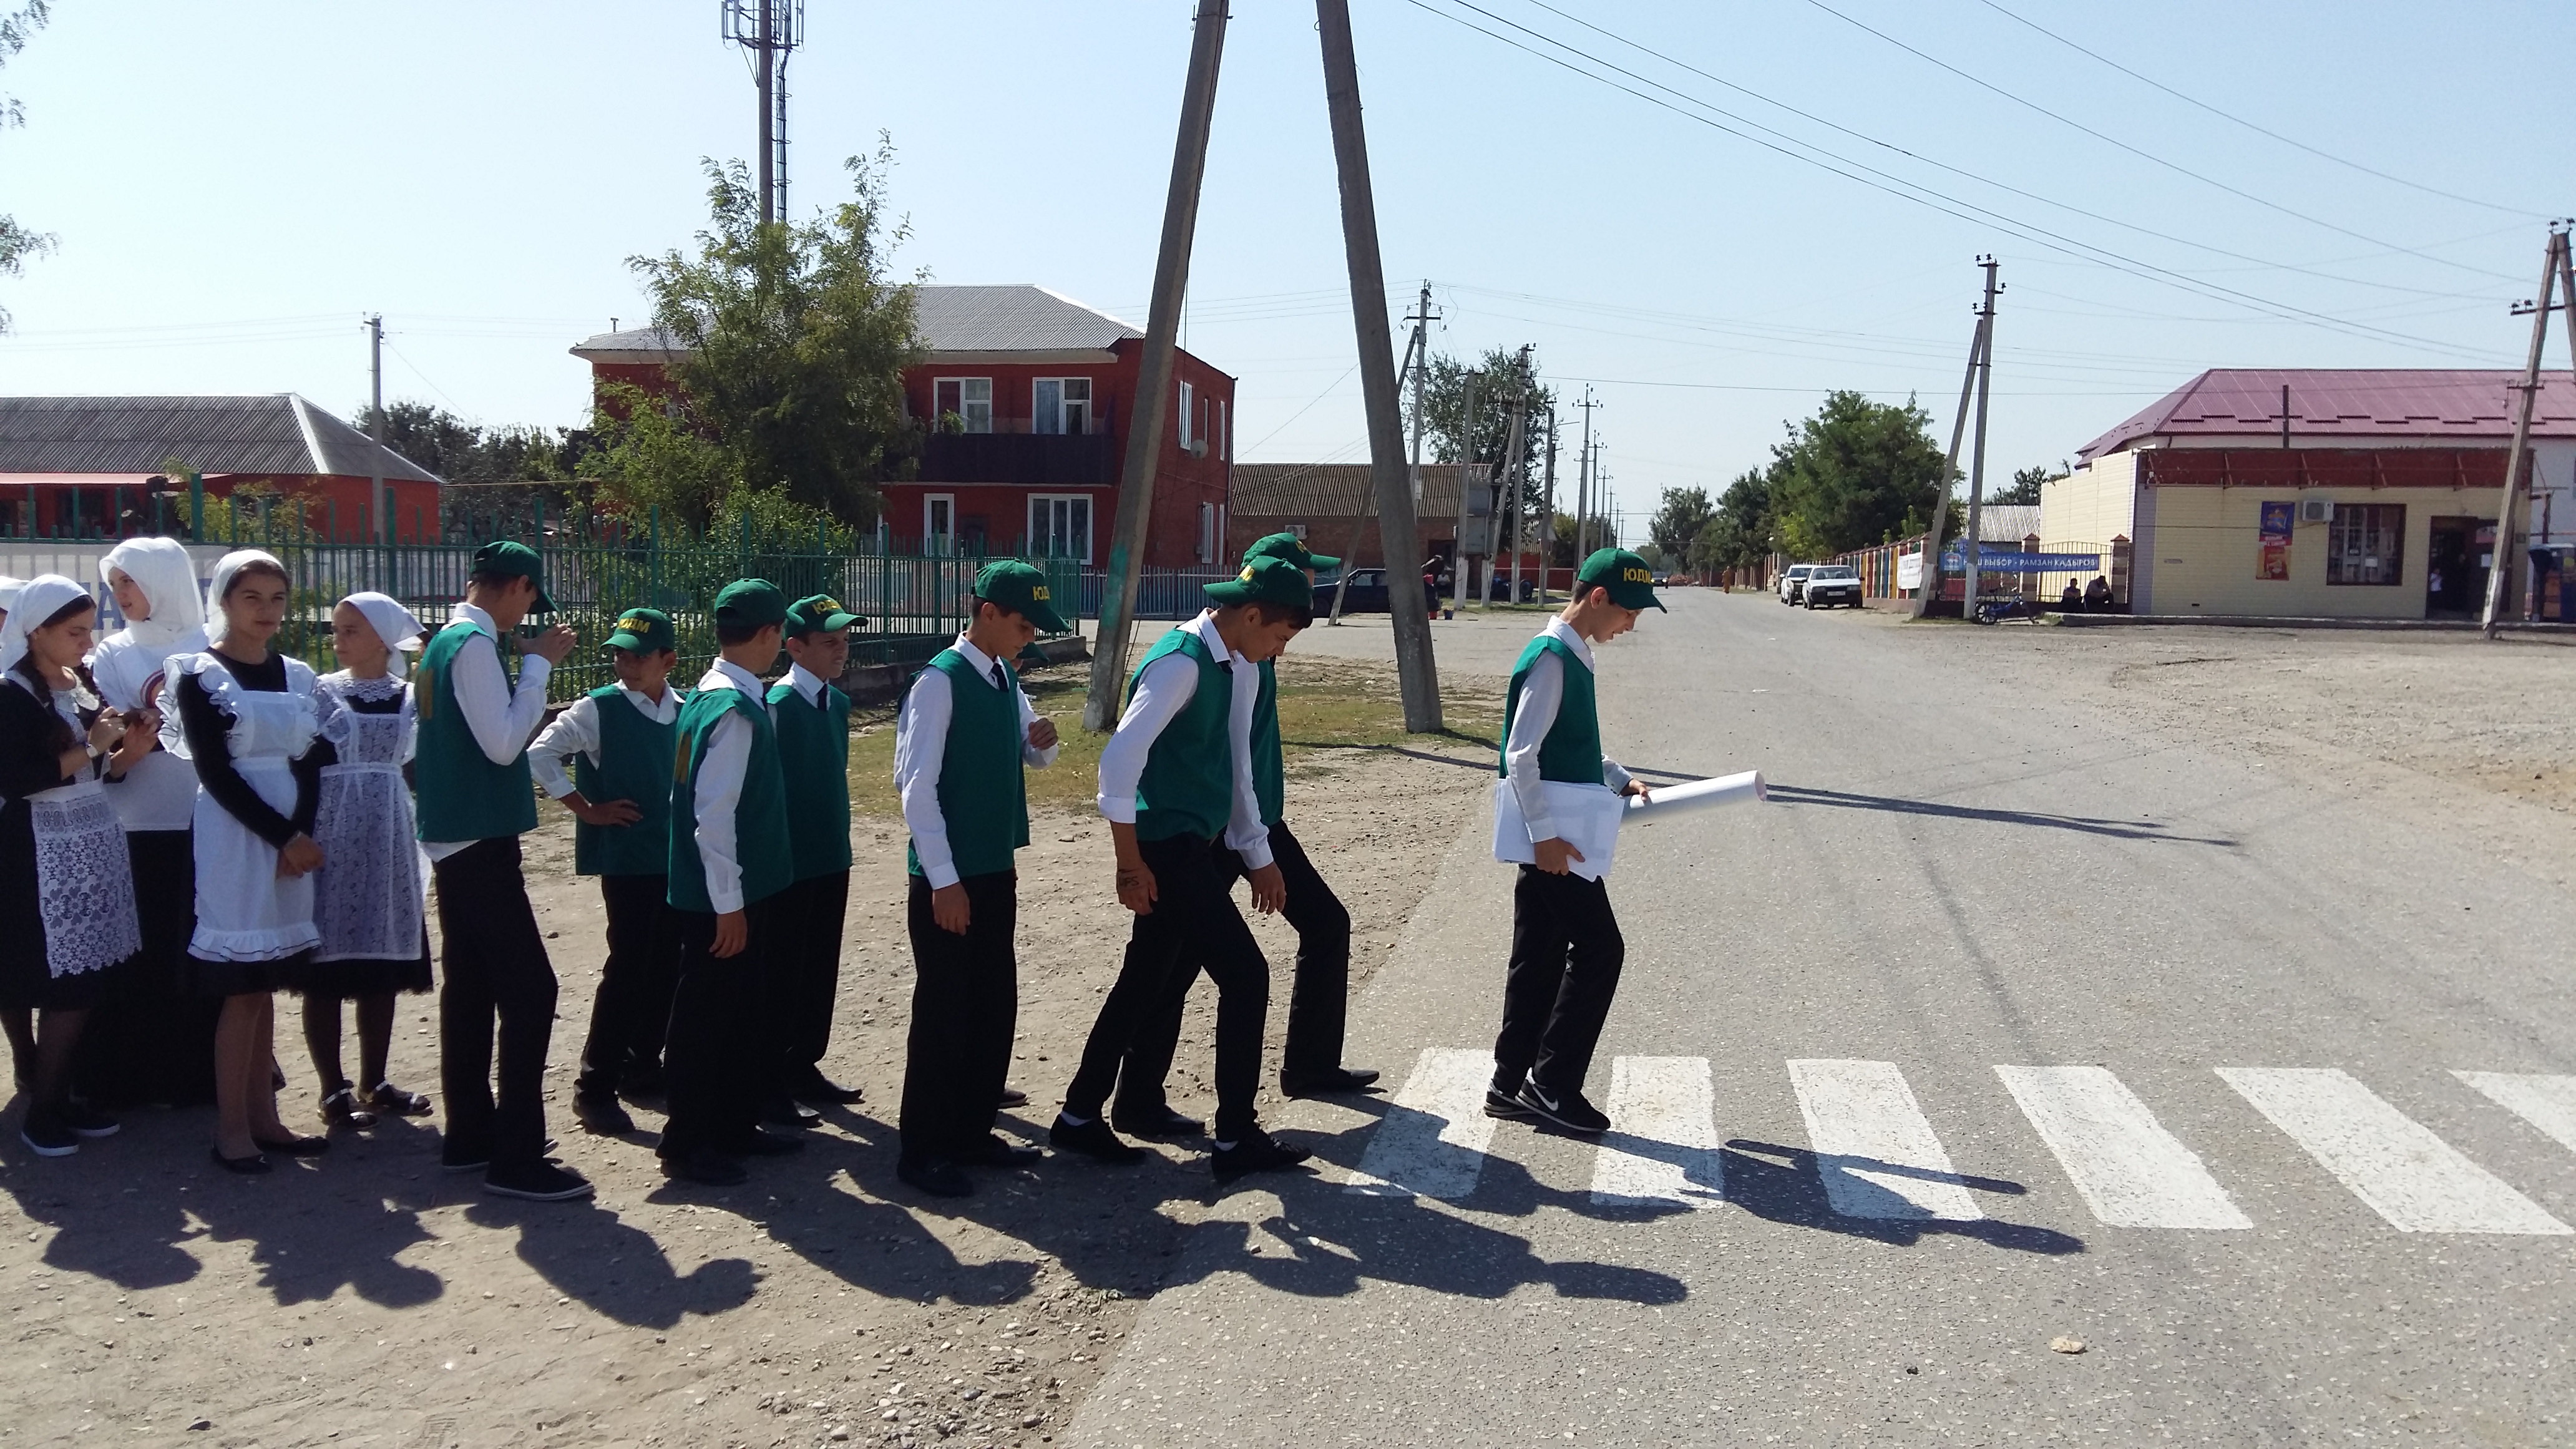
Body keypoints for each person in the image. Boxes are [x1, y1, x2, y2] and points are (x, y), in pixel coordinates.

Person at [1055, 557, 1315, 1184]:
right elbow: (1118, 764)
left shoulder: (1232, 663)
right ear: (1250, 616)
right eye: (1279, 636)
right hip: (1165, 848)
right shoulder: (1181, 663)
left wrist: (1258, 855)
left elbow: (1237, 768)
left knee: (1144, 981)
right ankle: (1235, 1137)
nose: (1279, 650)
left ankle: (1080, 1113)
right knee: (1246, 975)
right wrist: (1129, 865)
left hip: (1191, 843)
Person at [1115, 534, 1375, 1144]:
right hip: (1224, 827)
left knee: (1324, 925)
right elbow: (1216, 761)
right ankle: (1137, 1099)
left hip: (1254, 821)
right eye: (1303, 575)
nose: (1309, 588)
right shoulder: (1230, 655)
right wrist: (1254, 848)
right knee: (1174, 963)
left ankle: (1309, 1064)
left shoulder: (1260, 649)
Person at [412, 540, 590, 1201]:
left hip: (455, 834)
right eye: (529, 601)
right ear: (517, 586)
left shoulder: (444, 642)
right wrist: (539, 666)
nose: (526, 618)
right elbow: (504, 742)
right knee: (530, 991)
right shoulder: (474, 645)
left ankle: (471, 1134)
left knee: (471, 987)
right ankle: (515, 1156)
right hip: (478, 837)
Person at [890, 561, 1064, 1197]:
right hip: (951, 878)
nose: (1029, 638)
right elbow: (915, 787)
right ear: (986, 612)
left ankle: (970, 1130)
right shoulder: (940, 681)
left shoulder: (1003, 677)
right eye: (1023, 625)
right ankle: (923, 1149)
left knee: (993, 1005)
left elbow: (1034, 751)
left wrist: (1042, 741)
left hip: (994, 868)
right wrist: (943, 880)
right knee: (944, 1012)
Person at [162, 550, 333, 1173]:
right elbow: (217, 773)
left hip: (289, 839)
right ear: (226, 602)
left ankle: (265, 1118)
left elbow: (311, 761)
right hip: (236, 837)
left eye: (277, 598)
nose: (267, 610)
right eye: (252, 597)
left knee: (264, 986)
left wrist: (301, 834)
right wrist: (283, 837)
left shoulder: (296, 675)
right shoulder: (200, 674)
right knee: (241, 986)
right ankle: (231, 1129)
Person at [1486, 547, 1662, 1136]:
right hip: (1555, 841)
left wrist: (1617, 777)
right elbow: (1520, 755)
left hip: (1554, 838)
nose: (1631, 625)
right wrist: (1545, 838)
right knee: (1600, 950)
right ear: (1598, 598)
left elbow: (1571, 742)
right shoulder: (1553, 657)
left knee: (1537, 957)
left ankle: (1508, 1082)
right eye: (1629, 612)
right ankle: (1553, 1085)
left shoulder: (1571, 654)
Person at [658, 579, 803, 1187]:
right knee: (707, 1016)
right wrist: (728, 903)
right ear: (768, 634)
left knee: (741, 1009)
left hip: (740, 887)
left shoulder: (710, 694)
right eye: (780, 634)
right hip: (724, 894)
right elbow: (712, 815)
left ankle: (733, 1124)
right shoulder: (734, 712)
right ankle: (688, 1140)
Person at [529, 607, 684, 1138]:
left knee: (667, 963)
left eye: (638, 656)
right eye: (619, 654)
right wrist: (586, 810)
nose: (625, 664)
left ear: (668, 660)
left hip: (673, 857)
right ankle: (594, 1086)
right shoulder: (601, 707)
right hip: (629, 859)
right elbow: (540, 755)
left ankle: (643, 1065)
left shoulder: (684, 709)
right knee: (629, 967)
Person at [0, 577, 143, 1155]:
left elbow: (95, 772)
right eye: (75, 632)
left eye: (89, 631)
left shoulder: (78, 683)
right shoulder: (10, 693)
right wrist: (93, 746)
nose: (87, 643)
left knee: (86, 982)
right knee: (68, 985)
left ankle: (59, 1099)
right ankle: (42, 1112)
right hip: (38, 851)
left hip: (90, 839)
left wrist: (125, 752)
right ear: (37, 632)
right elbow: (20, 779)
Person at [82, 537, 219, 1108]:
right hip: (136, 823)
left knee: (201, 946)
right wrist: (134, 742)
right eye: (115, 583)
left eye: (130, 582)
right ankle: (140, 1078)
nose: (121, 594)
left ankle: (203, 1076)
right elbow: (113, 730)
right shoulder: (112, 653)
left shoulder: (210, 645)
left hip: (206, 818)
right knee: (146, 951)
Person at [300, 592, 435, 1129]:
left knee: (381, 959)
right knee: (326, 963)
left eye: (351, 630)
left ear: (382, 637)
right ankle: (332, 1088)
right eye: (336, 630)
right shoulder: (320, 693)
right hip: (332, 829)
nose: (338, 640)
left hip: (388, 831)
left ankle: (374, 1081)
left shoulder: (409, 696)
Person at [764, 592, 871, 1123]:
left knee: (820, 965)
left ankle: (803, 1062)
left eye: (845, 640)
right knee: (782, 970)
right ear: (795, 647)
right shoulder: (777, 706)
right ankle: (769, 1077)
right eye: (829, 642)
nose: (842, 650)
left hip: (831, 853)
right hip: (790, 860)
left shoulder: (837, 703)